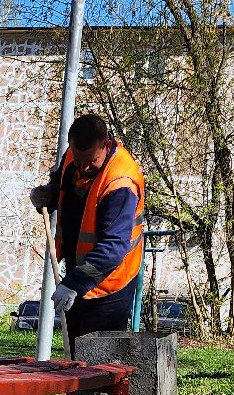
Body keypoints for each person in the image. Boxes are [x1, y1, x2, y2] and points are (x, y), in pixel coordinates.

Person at [28, 112, 146, 337]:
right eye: (79, 160)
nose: (84, 167)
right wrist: (48, 195)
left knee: (98, 359)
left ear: (106, 144)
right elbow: (64, 188)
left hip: (110, 283)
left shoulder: (120, 182)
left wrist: (74, 284)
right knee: (74, 353)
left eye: (92, 161)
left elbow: (113, 247)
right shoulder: (74, 155)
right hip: (79, 273)